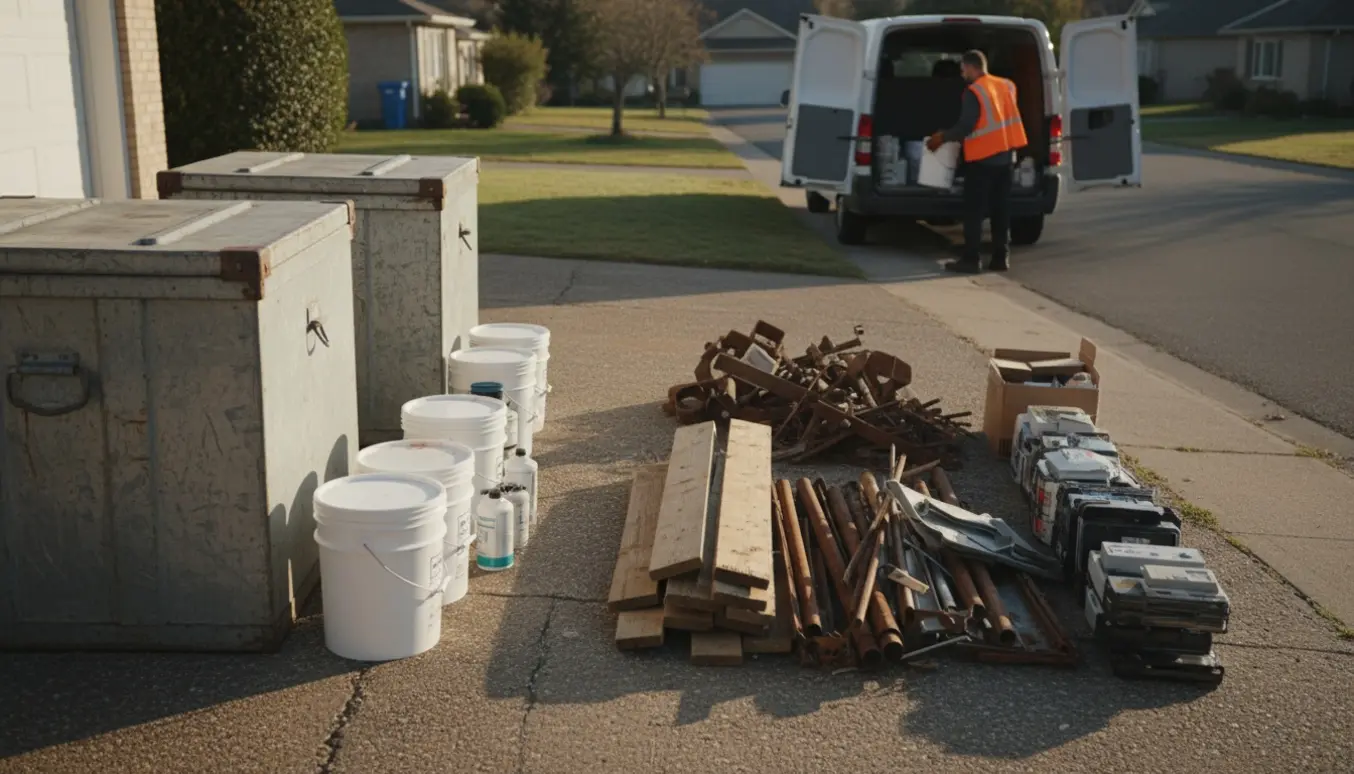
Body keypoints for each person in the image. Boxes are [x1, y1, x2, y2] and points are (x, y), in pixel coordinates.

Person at [925, 49, 1028, 273]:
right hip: (1005, 158)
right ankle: (1001, 258)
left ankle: (971, 260)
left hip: (982, 160)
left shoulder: (974, 91)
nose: (962, 75)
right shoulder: (1006, 86)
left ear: (972, 67)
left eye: (963, 70)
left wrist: (941, 138)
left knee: (974, 211)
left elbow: (966, 126)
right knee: (1001, 210)